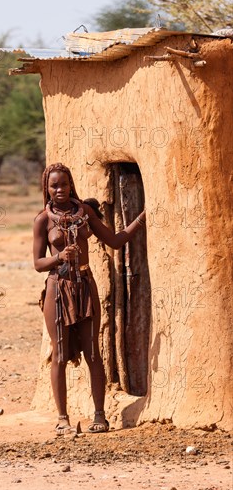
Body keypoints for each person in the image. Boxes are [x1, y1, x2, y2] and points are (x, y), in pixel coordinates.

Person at [33, 162, 146, 435]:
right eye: (54, 185)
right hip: (58, 289)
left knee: (93, 353)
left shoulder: (84, 213)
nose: (60, 189)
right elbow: (37, 263)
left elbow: (115, 240)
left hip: (85, 285)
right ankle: (62, 419)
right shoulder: (43, 220)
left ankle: (100, 416)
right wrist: (59, 256)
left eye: (64, 184)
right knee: (59, 353)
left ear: (71, 184)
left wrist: (143, 217)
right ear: (47, 189)